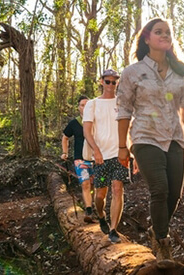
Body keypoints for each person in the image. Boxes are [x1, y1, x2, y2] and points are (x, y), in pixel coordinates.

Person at [116, 18, 184, 268]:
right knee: (160, 189)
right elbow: (123, 110)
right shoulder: (133, 72)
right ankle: (162, 243)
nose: (164, 35)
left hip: (175, 138)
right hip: (144, 137)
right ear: (147, 38)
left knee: (174, 193)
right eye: (158, 31)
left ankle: (157, 227)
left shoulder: (180, 71)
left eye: (168, 32)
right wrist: (122, 146)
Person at [83, 69, 129, 244]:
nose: (111, 85)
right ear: (101, 82)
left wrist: (132, 152)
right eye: (108, 81)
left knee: (118, 189)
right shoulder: (92, 104)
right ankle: (101, 215)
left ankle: (113, 229)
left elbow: (130, 127)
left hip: (120, 154)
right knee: (100, 195)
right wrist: (96, 150)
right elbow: (87, 130)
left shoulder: (123, 102)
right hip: (101, 156)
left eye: (114, 81)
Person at [61, 95, 95, 223]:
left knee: (96, 185)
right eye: (82, 105)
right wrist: (65, 152)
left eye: (87, 105)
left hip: (96, 158)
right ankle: (89, 210)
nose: (85, 107)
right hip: (80, 159)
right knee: (85, 183)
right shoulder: (74, 123)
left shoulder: (96, 121)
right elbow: (65, 137)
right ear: (78, 107)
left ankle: (96, 208)